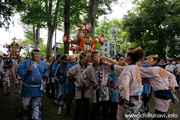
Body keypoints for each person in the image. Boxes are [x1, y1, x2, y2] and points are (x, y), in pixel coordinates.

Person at [102, 47, 145, 120]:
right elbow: (118, 68)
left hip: (129, 101)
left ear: (128, 57)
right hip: (137, 99)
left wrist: (122, 98)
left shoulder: (128, 69)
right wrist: (106, 62)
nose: (125, 55)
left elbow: (124, 85)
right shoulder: (135, 67)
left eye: (126, 54)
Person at [138, 54, 178, 120]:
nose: (147, 61)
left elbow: (138, 70)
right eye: (147, 59)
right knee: (160, 114)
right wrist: (171, 86)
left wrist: (133, 64)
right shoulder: (160, 69)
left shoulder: (153, 69)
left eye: (149, 59)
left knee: (160, 115)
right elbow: (172, 76)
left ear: (155, 61)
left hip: (162, 94)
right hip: (165, 93)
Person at [79, 51, 114, 120]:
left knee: (105, 107)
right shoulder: (89, 68)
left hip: (104, 88)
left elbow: (115, 65)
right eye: (95, 58)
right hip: (96, 89)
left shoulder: (104, 66)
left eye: (98, 57)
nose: (97, 59)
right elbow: (81, 78)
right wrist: (89, 82)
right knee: (95, 107)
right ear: (92, 59)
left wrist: (106, 59)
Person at [17, 49, 49, 120]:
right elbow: (19, 70)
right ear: (32, 55)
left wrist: (46, 74)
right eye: (35, 54)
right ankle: (26, 112)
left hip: (38, 87)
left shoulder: (42, 63)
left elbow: (47, 70)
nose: (37, 56)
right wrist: (28, 70)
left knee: (36, 104)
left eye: (38, 54)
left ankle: (36, 117)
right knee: (25, 104)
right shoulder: (26, 62)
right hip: (27, 88)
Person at [67, 52, 90, 120]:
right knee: (78, 104)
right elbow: (68, 73)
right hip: (79, 87)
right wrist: (75, 77)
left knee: (86, 104)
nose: (85, 61)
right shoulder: (76, 66)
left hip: (86, 87)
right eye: (83, 59)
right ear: (80, 59)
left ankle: (85, 117)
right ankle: (77, 117)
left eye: (86, 59)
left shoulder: (89, 66)